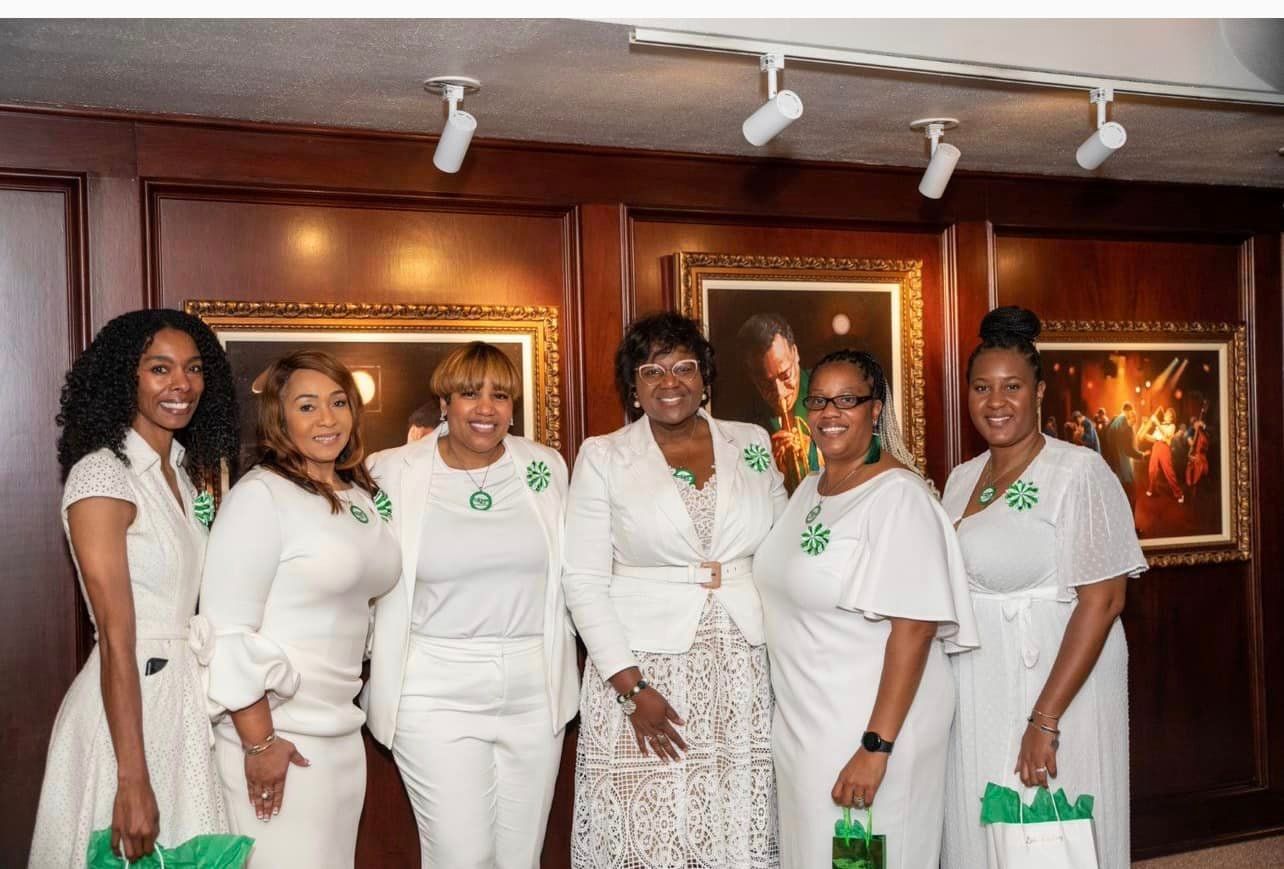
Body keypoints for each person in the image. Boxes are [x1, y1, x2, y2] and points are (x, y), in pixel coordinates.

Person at [564, 311, 786, 868]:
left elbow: (784, 553)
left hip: (744, 669)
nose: (671, 382)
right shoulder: (604, 455)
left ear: (705, 377)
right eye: (651, 370)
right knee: (651, 834)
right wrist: (630, 688)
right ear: (634, 389)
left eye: (684, 367)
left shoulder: (752, 442)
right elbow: (584, 581)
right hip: (643, 671)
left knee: (734, 824)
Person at [753, 349, 978, 869]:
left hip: (873, 732)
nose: (830, 413)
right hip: (807, 728)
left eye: (847, 400)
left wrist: (876, 748)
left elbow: (916, 628)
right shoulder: (811, 487)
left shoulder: (899, 496)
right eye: (819, 400)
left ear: (876, 410)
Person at [30, 309, 239, 866]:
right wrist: (131, 778)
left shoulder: (186, 469)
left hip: (183, 707)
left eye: (193, 369)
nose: (181, 385)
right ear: (126, 376)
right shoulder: (102, 474)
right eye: (160, 369)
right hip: (129, 715)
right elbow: (118, 638)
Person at [941, 306, 1147, 869]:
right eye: (981, 387)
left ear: (1038, 391)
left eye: (1012, 386)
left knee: (1052, 834)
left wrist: (1045, 719)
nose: (995, 401)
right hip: (977, 680)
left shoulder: (1079, 472)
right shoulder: (961, 478)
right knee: (983, 823)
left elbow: (1104, 601)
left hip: (1056, 683)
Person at [364, 342, 579, 869]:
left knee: (519, 859)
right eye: (470, 393)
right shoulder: (390, 471)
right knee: (463, 857)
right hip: (435, 688)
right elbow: (361, 572)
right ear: (444, 403)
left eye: (500, 396)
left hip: (535, 689)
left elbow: (576, 571)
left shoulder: (546, 467)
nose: (486, 408)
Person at [199, 350, 400, 867]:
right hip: (281, 739)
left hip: (340, 735)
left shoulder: (356, 493)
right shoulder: (261, 496)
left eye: (338, 402)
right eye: (307, 406)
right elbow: (226, 631)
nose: (327, 419)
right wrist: (260, 744)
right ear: (279, 418)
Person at [737, 312, 820, 492]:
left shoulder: (830, 393)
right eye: (766, 384)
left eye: (785, 375)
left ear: (795, 353)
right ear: (753, 378)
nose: (780, 393)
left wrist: (814, 455)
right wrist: (769, 471)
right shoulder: (742, 425)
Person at [1103, 402, 1148, 511]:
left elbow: (1106, 440)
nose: (1133, 421)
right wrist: (1142, 455)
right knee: (1131, 497)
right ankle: (1130, 525)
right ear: (1128, 412)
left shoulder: (1113, 421)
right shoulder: (1125, 426)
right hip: (1124, 471)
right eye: (1132, 416)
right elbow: (1128, 450)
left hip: (1114, 467)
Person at [1144, 407, 1184, 503]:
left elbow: (1166, 435)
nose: (1165, 414)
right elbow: (1153, 438)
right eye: (1166, 413)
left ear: (1171, 417)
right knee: (1152, 470)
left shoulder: (1172, 426)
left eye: (1168, 414)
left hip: (1164, 447)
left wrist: (1156, 422)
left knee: (1169, 472)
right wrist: (1144, 434)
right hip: (1156, 446)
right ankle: (1151, 489)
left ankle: (1179, 494)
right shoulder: (1160, 425)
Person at [1186, 419, 1210, 493]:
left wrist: (1203, 427)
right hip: (1196, 455)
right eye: (1194, 424)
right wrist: (1190, 454)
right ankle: (1192, 487)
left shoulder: (1204, 432)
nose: (1196, 425)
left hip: (1201, 457)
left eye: (1197, 423)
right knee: (1190, 468)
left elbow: (1206, 444)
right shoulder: (1191, 432)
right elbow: (1191, 445)